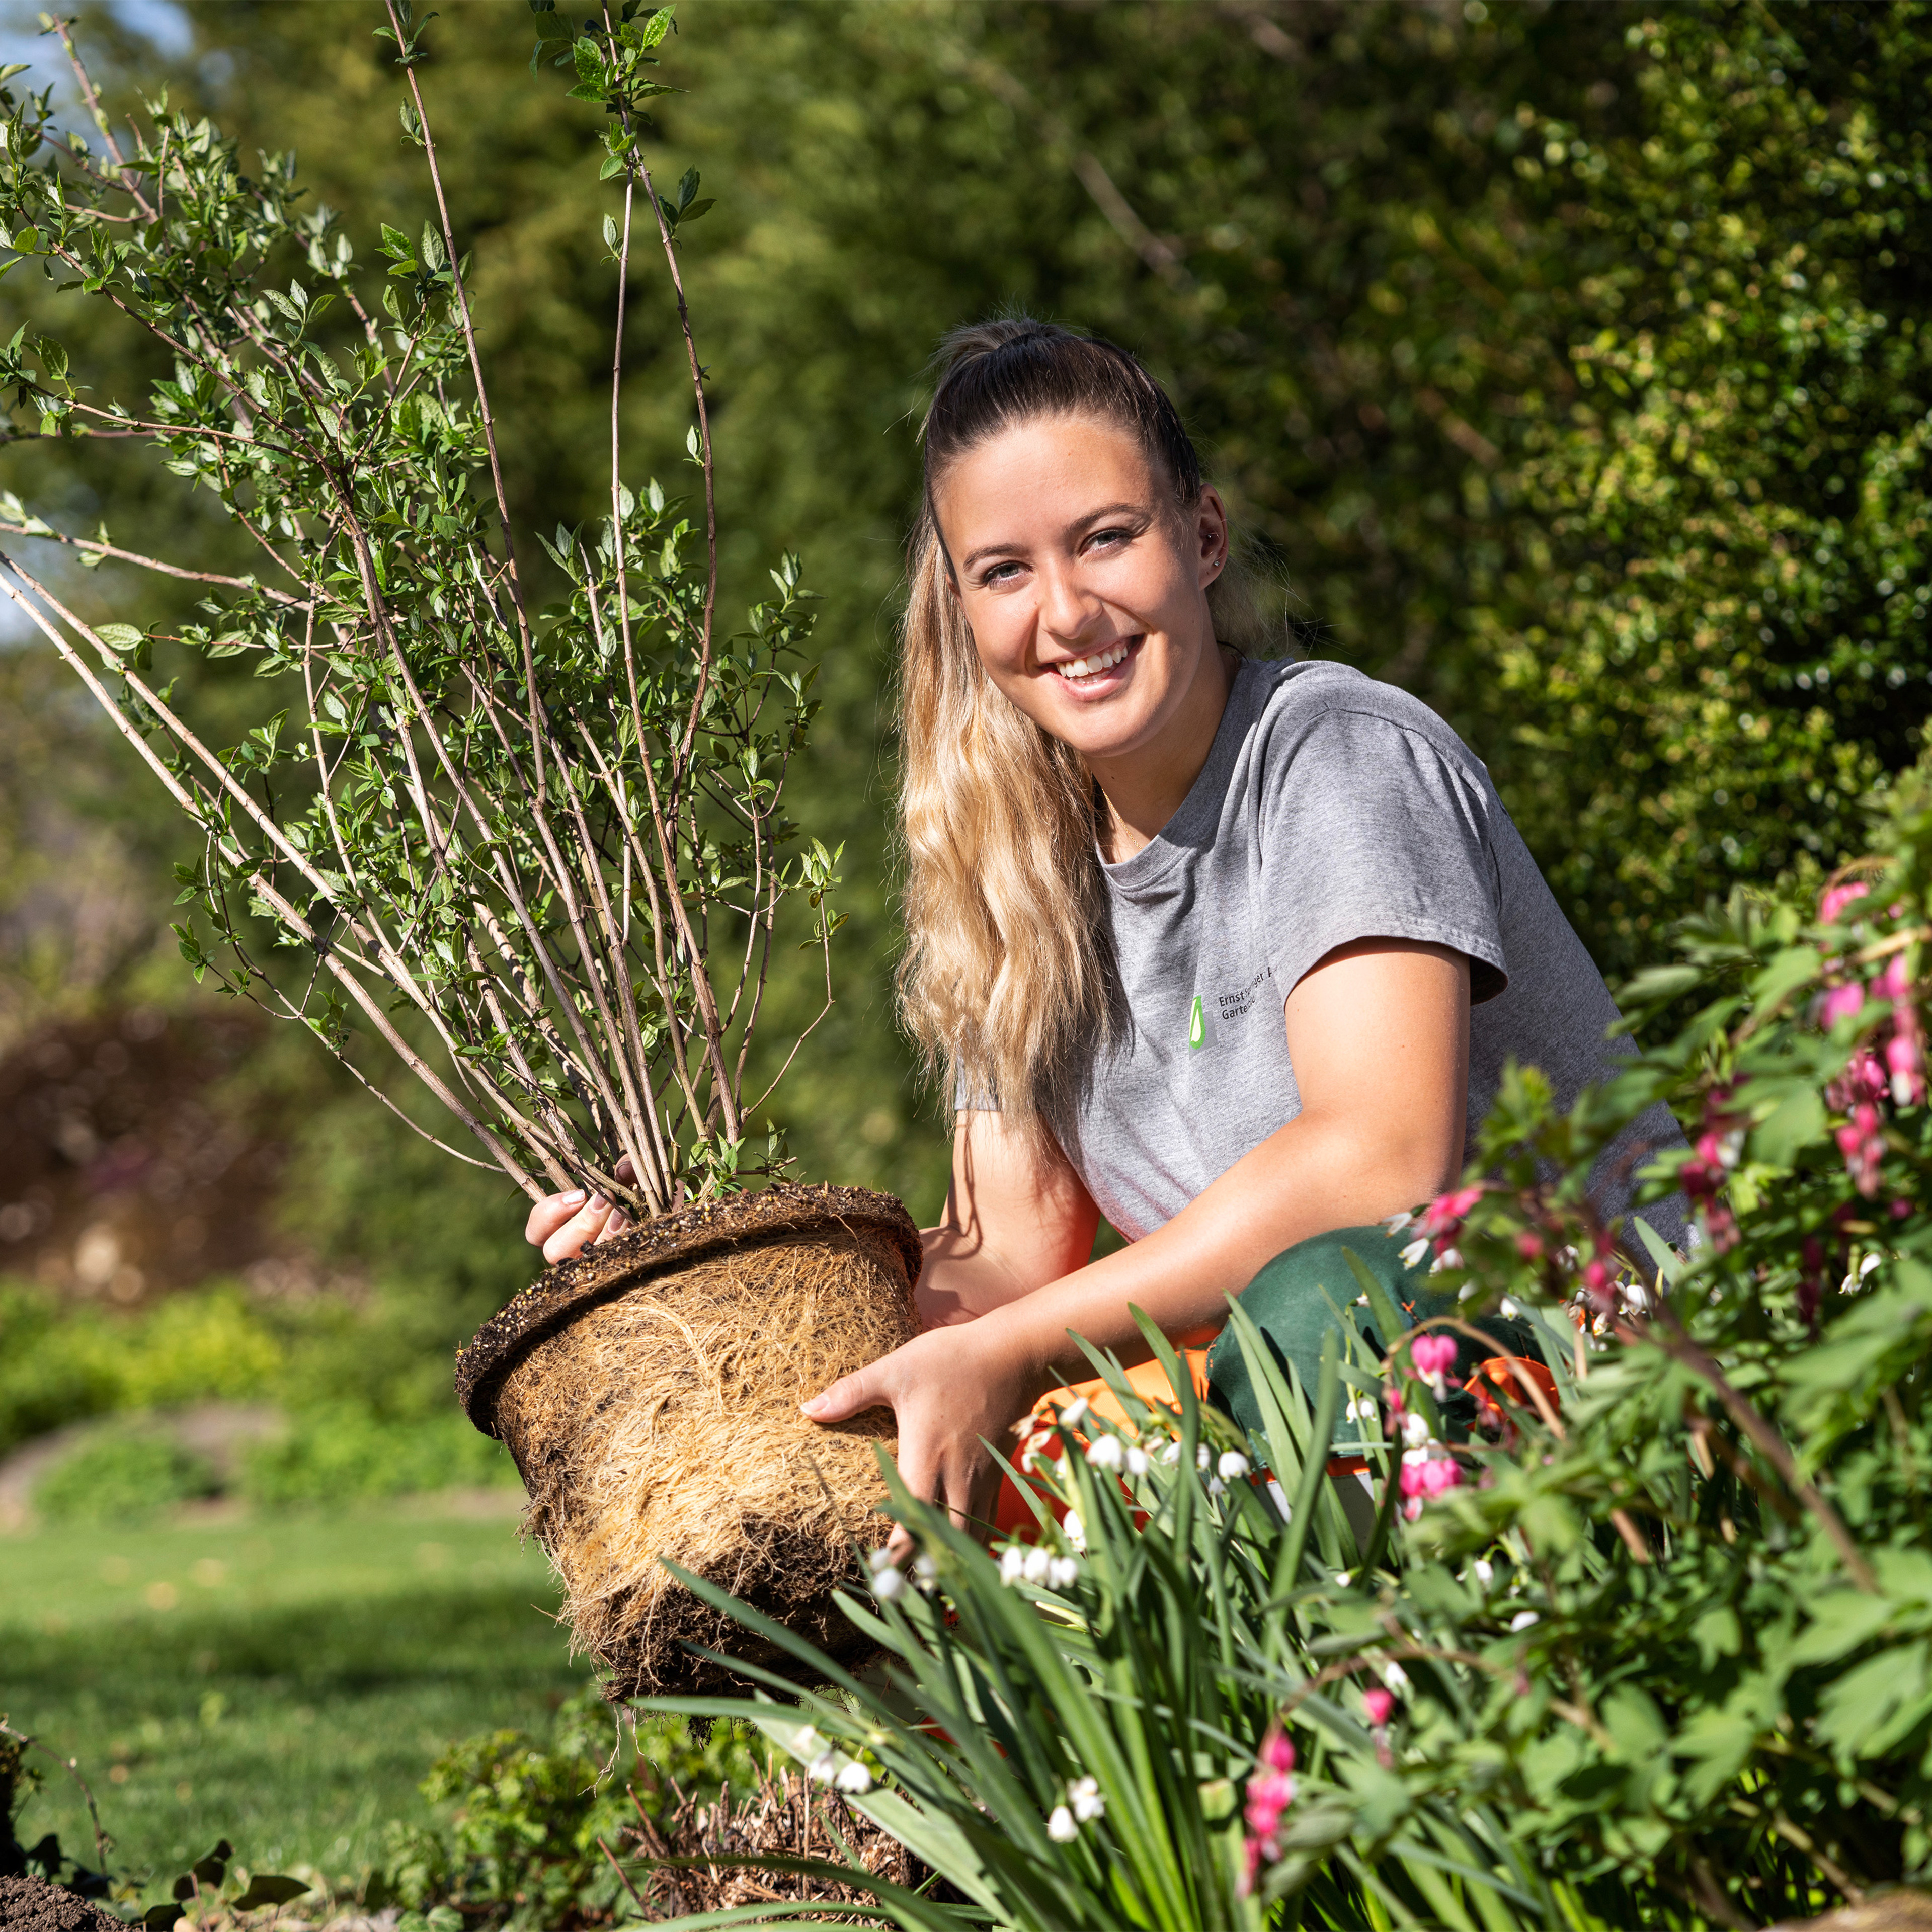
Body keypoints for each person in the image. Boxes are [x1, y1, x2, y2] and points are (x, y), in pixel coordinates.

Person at [523, 317, 1684, 1546]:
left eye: (1106, 540)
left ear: (1204, 534)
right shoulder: (1012, 876)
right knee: (940, 1456)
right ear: (962, 606)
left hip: (1611, 1359)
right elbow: (1001, 1266)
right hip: (1333, 1414)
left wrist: (1014, 1351)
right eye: (1006, 570)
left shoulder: (1336, 758)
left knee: (1314, 1305)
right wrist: (687, 1288)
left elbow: (1383, 1164)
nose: (1067, 612)